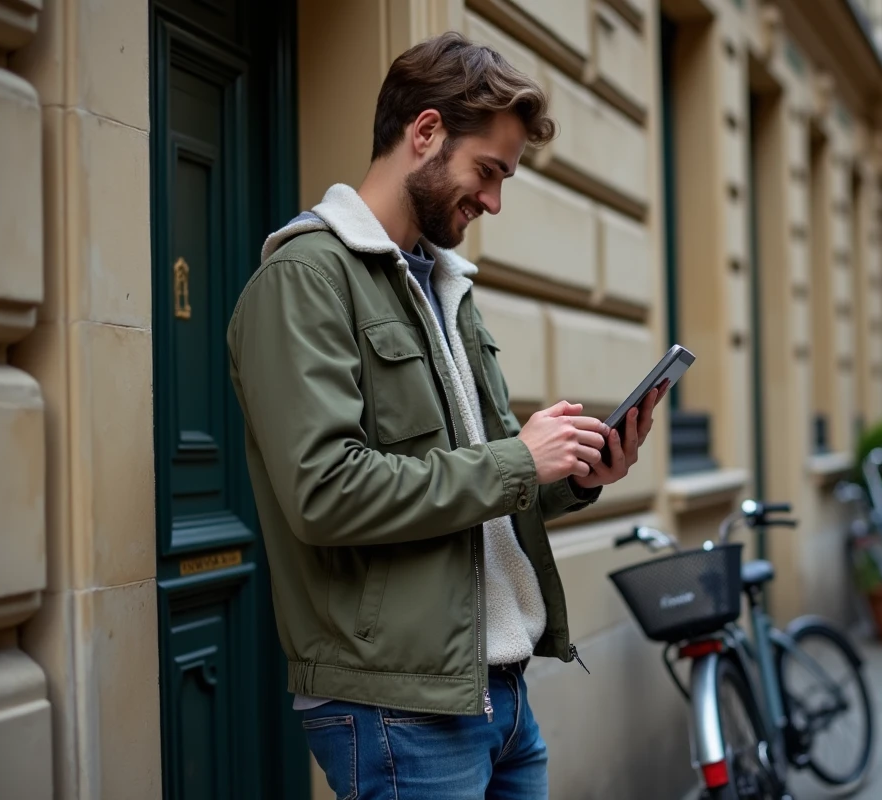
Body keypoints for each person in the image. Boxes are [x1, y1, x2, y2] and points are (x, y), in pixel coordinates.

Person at [226, 33, 657, 799]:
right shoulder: (303, 278)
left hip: (499, 694)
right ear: (424, 132)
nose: (493, 200)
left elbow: (473, 494)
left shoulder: (444, 285)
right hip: (397, 708)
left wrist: (572, 473)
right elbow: (326, 492)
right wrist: (519, 459)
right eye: (487, 171)